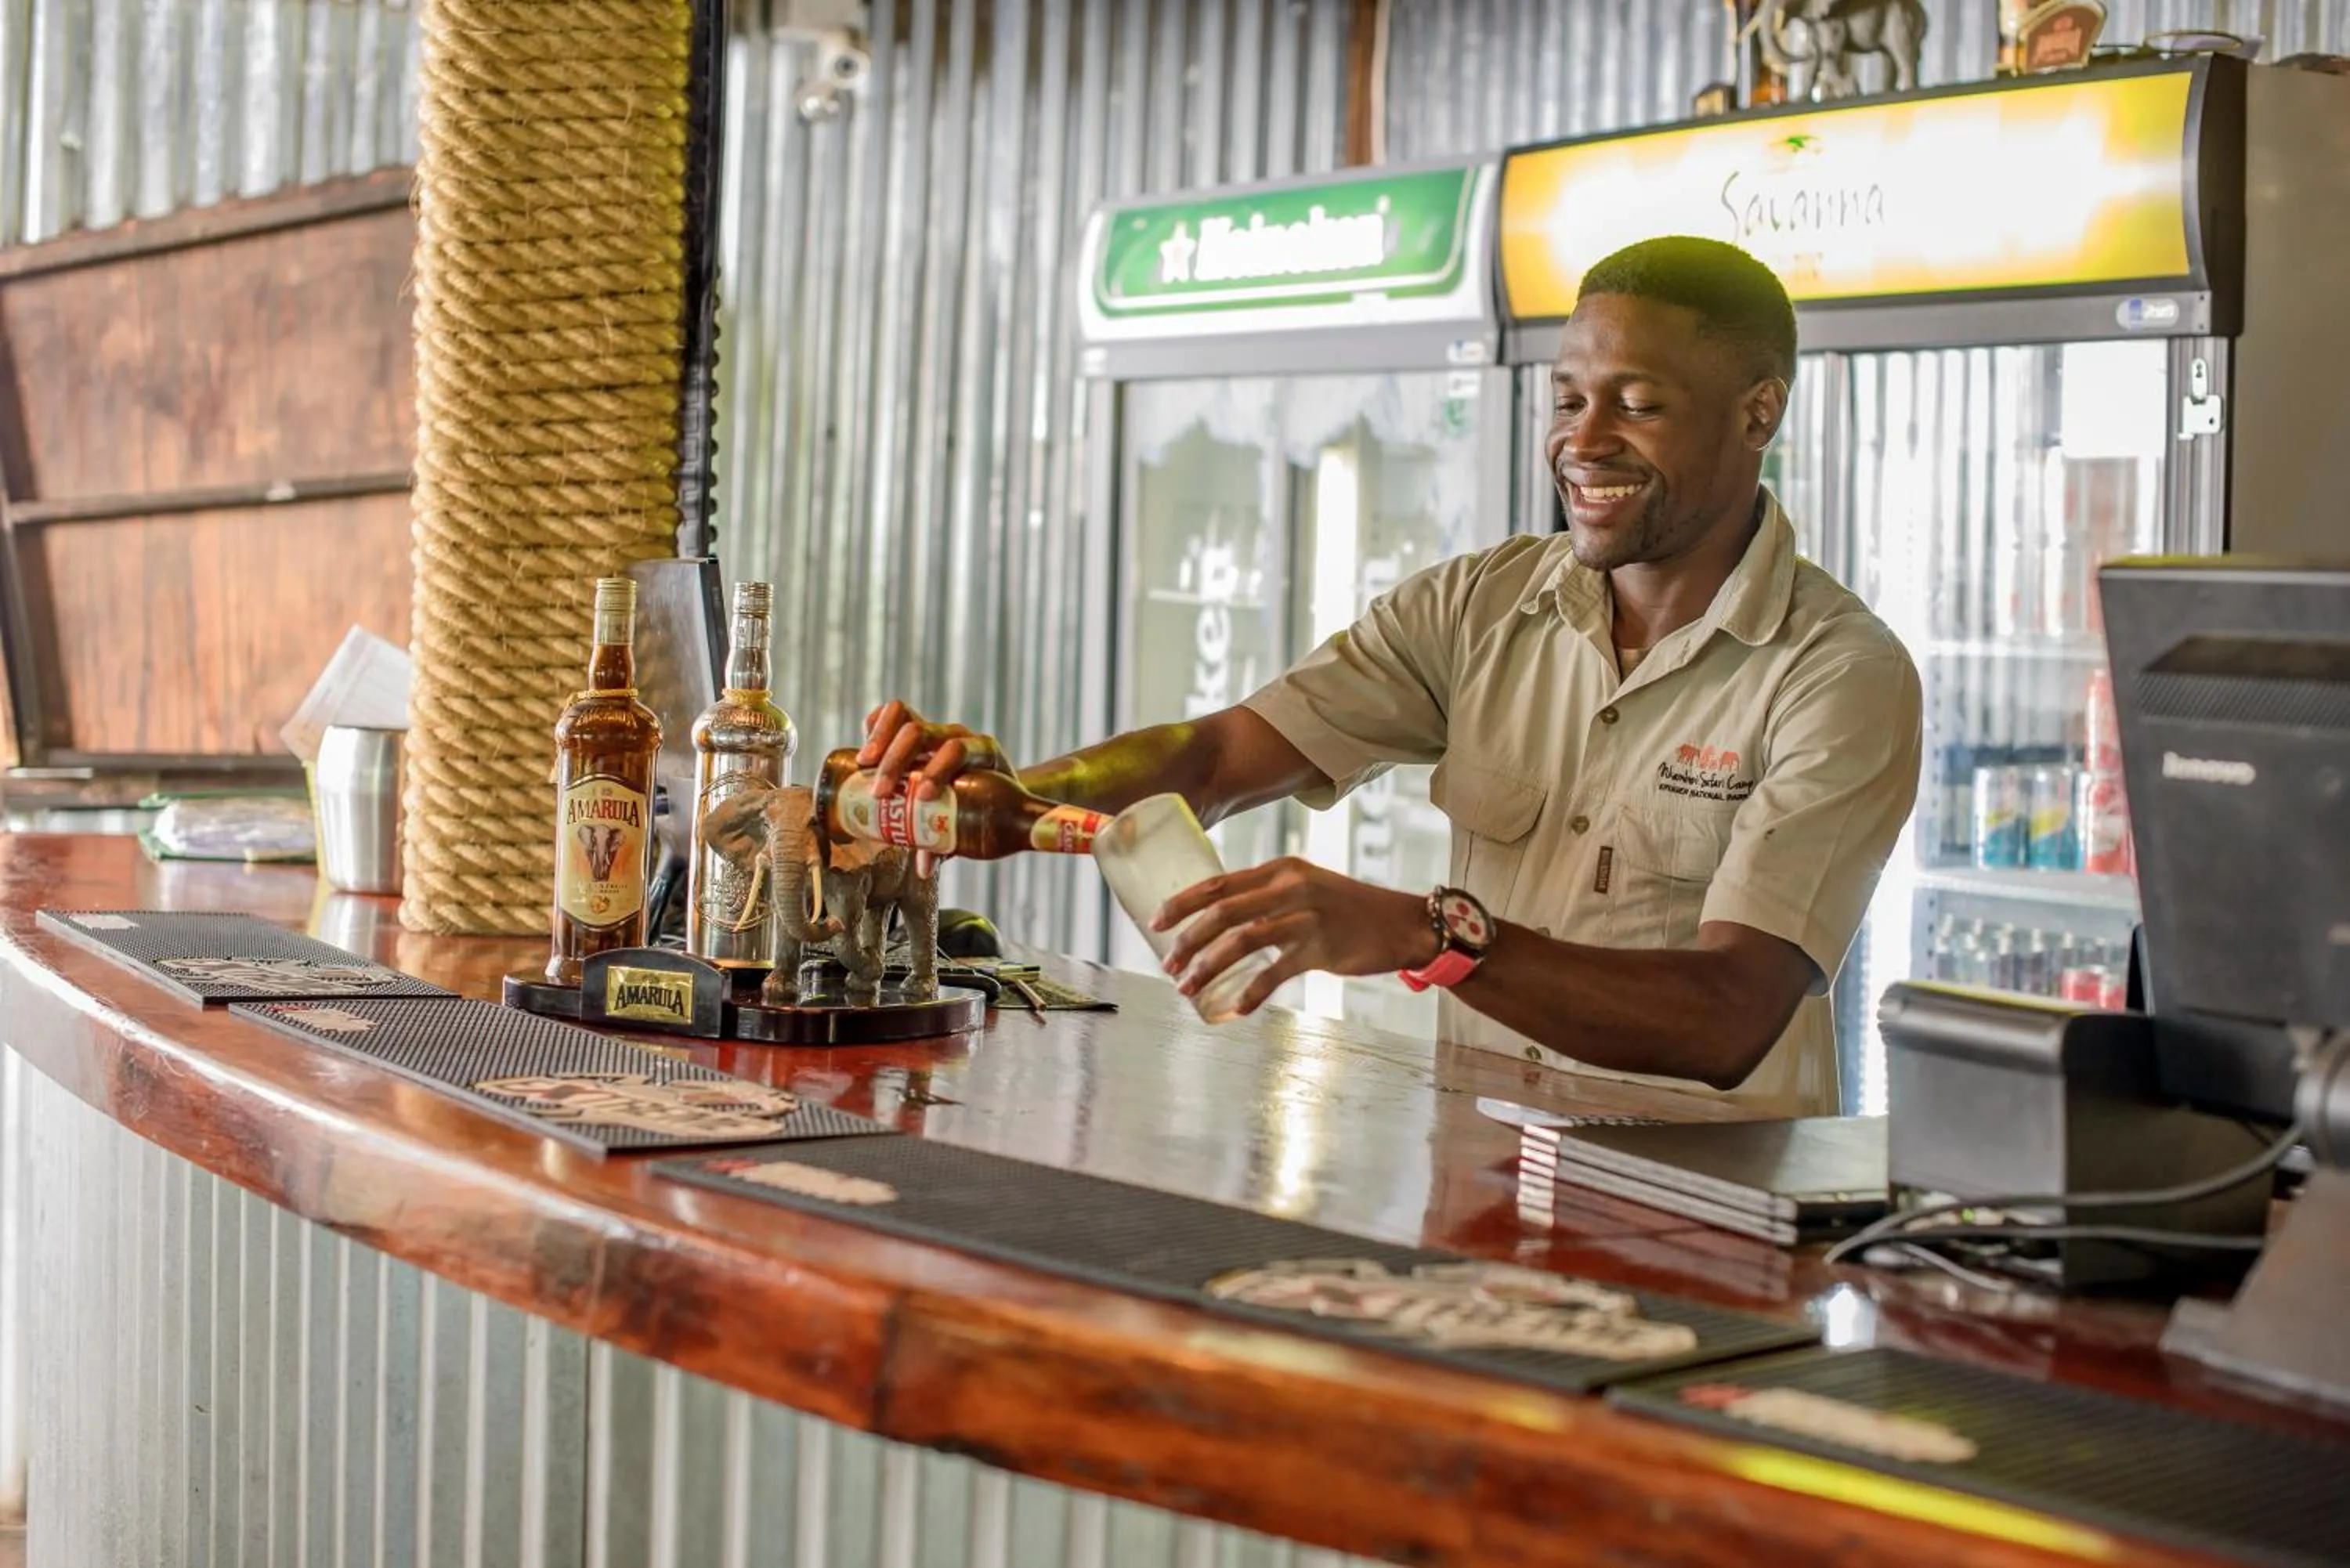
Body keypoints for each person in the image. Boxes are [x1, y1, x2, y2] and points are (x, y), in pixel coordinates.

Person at [862, 236, 1922, 1115]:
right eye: (1567, 399)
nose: (1581, 442)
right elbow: (1226, 753)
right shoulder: (1480, 605)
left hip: (1708, 1237)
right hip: (1482, 1187)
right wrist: (1016, 795)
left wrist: (1429, 933)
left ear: (1757, 412)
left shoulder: (1837, 676)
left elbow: (1730, 1015)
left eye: (1635, 404)